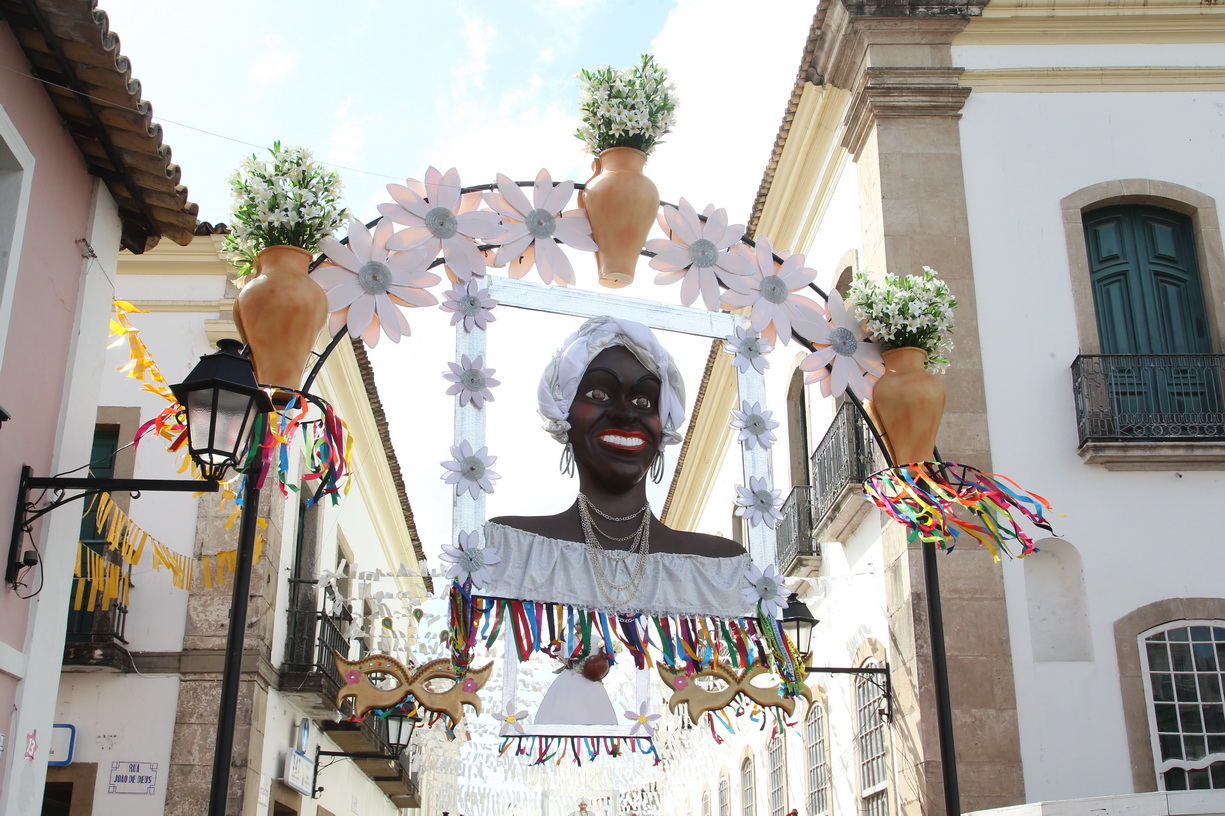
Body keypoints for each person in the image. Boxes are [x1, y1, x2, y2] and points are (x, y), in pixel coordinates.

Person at [482, 316, 751, 617]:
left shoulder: (721, 568)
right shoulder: (509, 548)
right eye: (599, 394)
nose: (625, 414)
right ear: (563, 416)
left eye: (644, 401)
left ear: (663, 427)